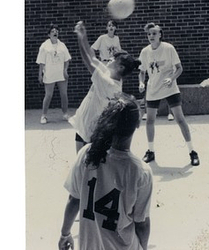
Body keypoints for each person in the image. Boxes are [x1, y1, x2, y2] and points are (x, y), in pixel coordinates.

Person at [58, 93, 153, 250]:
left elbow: (73, 199)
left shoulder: (87, 153)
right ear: (137, 125)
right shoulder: (140, 171)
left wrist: (65, 233)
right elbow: (142, 223)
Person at [69, 21, 141, 152]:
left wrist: (80, 39)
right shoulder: (110, 74)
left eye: (114, 60)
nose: (110, 60)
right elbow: (93, 57)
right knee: (81, 162)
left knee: (86, 164)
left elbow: (87, 61)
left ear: (120, 67)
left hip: (90, 128)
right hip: (84, 123)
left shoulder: (109, 84)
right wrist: (84, 36)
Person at [138, 22, 200, 166]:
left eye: (154, 33)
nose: (151, 36)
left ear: (160, 34)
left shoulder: (168, 48)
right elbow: (142, 72)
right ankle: (151, 151)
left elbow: (179, 68)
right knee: (150, 121)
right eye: (149, 34)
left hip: (169, 88)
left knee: (180, 119)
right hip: (153, 89)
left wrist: (171, 78)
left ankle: (192, 152)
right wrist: (141, 83)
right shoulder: (145, 52)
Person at [36, 23, 72, 124]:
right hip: (49, 74)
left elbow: (67, 60)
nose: (55, 32)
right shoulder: (44, 46)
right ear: (49, 34)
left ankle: (65, 114)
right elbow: (41, 62)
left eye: (56, 31)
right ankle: (44, 115)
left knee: (64, 94)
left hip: (61, 74)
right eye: (52, 31)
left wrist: (65, 70)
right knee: (48, 95)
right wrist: (40, 74)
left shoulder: (62, 45)